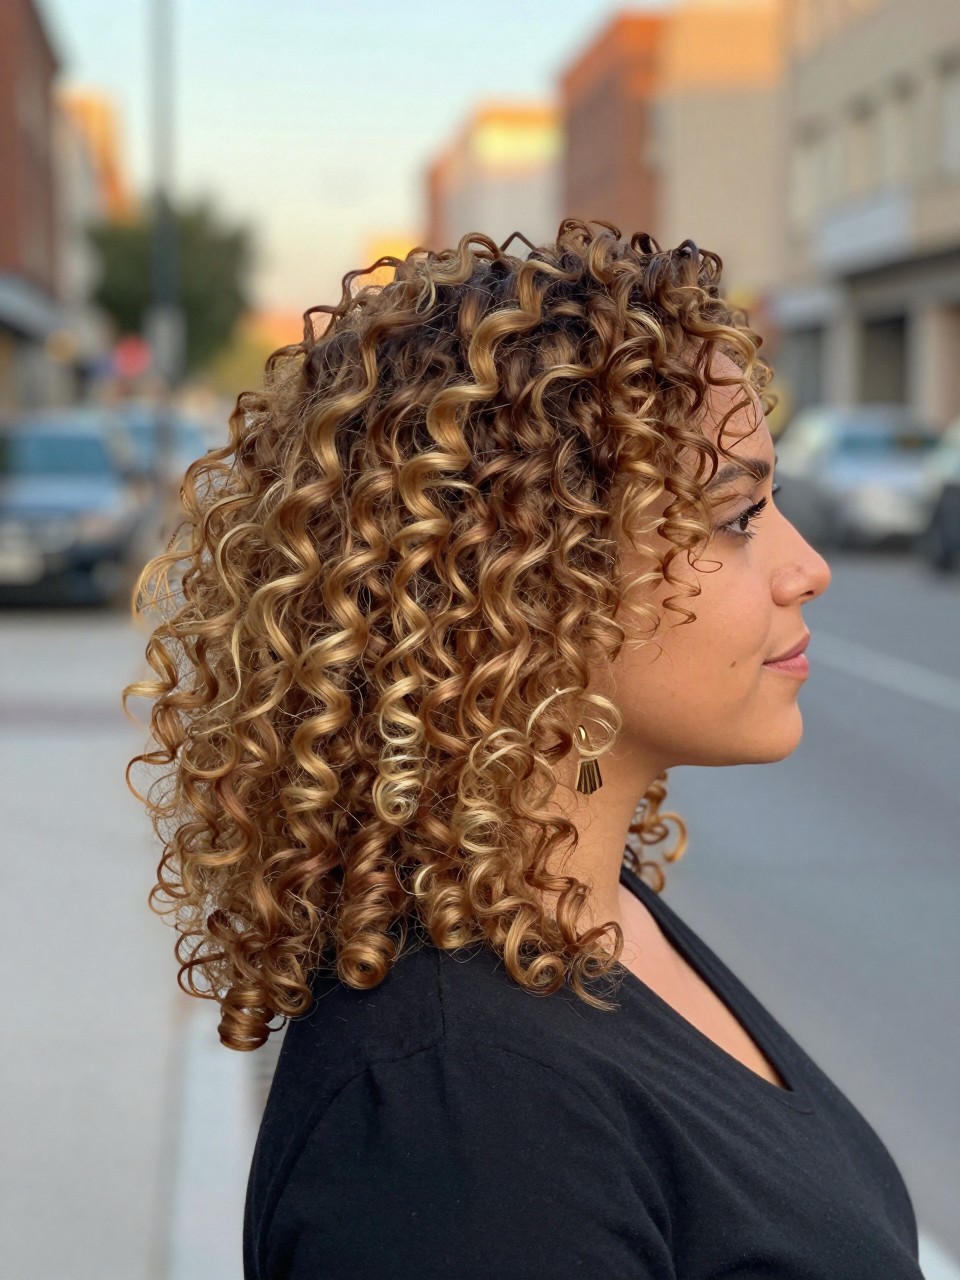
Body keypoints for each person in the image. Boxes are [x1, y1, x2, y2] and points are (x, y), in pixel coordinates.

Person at [123, 221, 923, 1278]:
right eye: (737, 514)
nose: (806, 565)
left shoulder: (596, 910)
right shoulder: (454, 1111)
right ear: (533, 579)